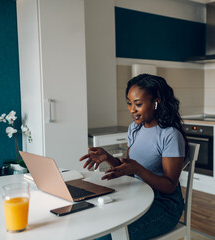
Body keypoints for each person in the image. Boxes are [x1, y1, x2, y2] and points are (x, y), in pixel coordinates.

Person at [79, 74, 189, 240]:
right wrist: (107, 157)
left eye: (138, 104)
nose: (132, 110)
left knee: (107, 237)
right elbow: (129, 168)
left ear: (156, 102)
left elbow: (169, 186)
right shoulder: (134, 129)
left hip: (164, 205)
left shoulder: (170, 135)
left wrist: (139, 169)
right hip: (138, 194)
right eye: (129, 103)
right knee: (93, 224)